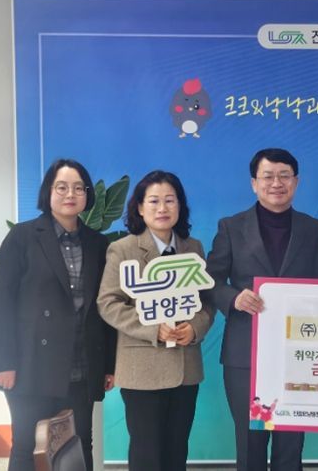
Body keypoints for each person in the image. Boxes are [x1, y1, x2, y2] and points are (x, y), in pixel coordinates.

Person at [206, 148, 318, 471]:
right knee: (250, 441)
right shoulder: (231, 227)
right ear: (254, 183)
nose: (276, 183)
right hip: (244, 352)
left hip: (299, 351)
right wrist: (233, 298)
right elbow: (210, 280)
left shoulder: (313, 229)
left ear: (296, 182)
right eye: (268, 176)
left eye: (284, 176)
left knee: (291, 440)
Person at [0, 158, 116, 471]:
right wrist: (5, 362)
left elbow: (105, 306)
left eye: (78, 188)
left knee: (80, 445)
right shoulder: (23, 237)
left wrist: (108, 365)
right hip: (31, 363)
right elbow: (2, 303)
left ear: (87, 195)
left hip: (81, 364)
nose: (70, 194)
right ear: (48, 191)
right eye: (62, 187)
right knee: (26, 446)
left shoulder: (98, 244)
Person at [97, 170, 214, 471]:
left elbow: (207, 302)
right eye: (153, 201)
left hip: (186, 367)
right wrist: (152, 328)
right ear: (139, 207)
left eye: (170, 200)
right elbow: (108, 303)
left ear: (180, 206)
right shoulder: (123, 249)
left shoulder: (193, 248)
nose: (162, 208)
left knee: (177, 449)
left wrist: (195, 327)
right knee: (146, 452)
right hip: (142, 368)